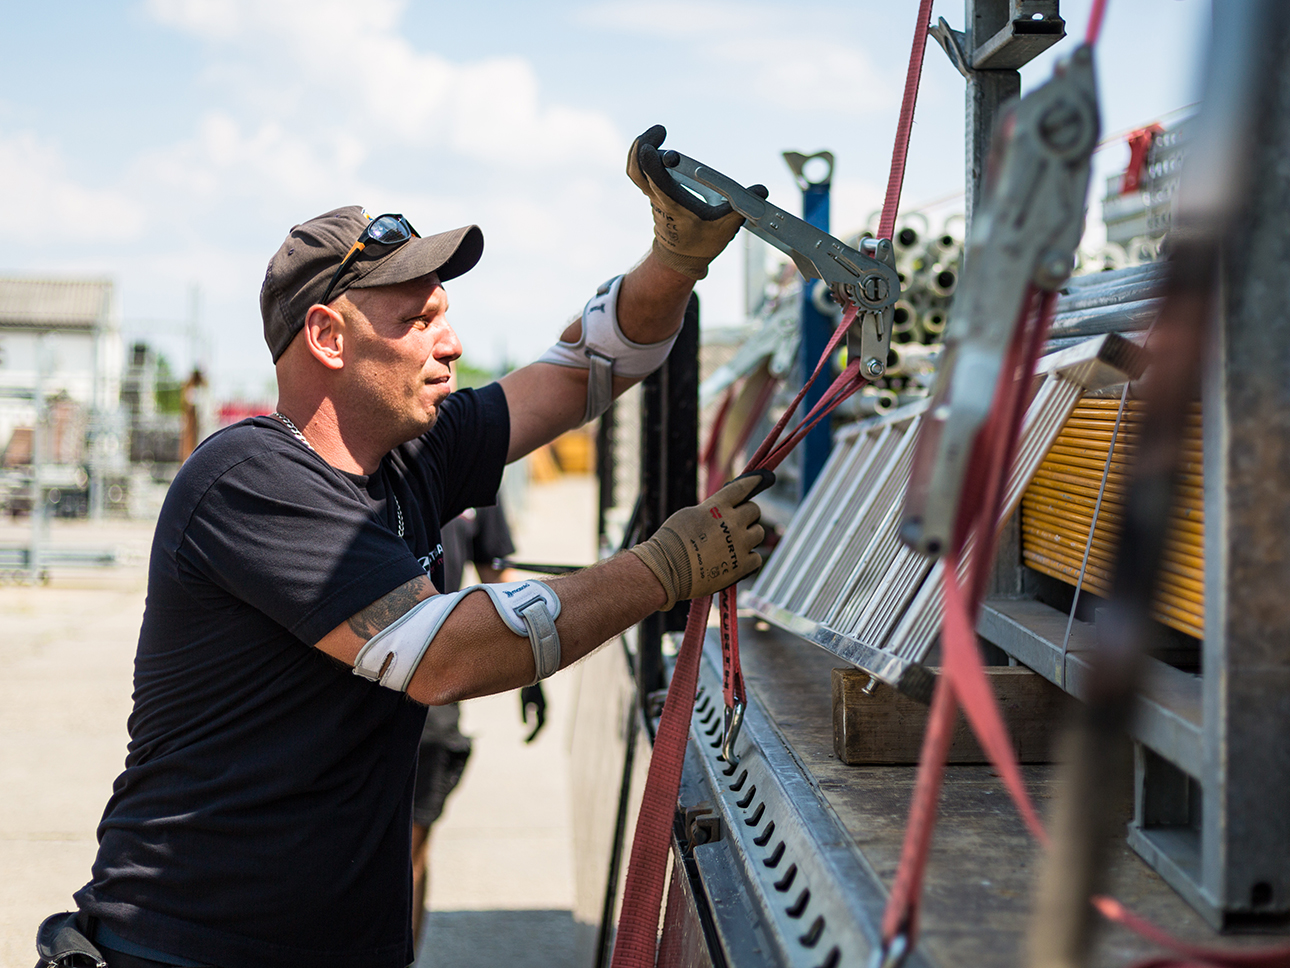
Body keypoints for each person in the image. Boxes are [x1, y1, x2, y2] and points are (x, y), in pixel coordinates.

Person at [44, 126, 772, 968]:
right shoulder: (247, 478)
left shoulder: (411, 456)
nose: (450, 344)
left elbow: (587, 368)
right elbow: (442, 654)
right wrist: (662, 569)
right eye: (418, 320)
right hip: (182, 949)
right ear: (327, 338)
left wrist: (673, 261)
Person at [409, 502, 516, 946]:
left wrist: (529, 673)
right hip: (354, 686)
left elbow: (497, 578)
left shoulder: (469, 463)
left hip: (432, 697)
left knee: (410, 847)